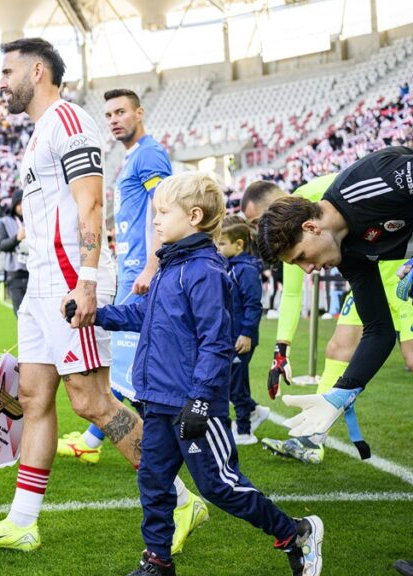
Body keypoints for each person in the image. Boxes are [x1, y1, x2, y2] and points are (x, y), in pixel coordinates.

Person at [0, 38, 205, 555]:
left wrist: (88, 280)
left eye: (8, 71)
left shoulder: (70, 122)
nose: (0, 82)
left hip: (73, 278)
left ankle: (181, 498)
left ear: (38, 70)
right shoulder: (38, 134)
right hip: (41, 281)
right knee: (32, 396)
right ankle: (23, 521)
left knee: (91, 400)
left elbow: (91, 204)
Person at [92, 172, 323, 576]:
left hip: (193, 405)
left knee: (219, 486)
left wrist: (199, 400)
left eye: (163, 213)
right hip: (159, 402)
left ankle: (297, 534)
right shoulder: (170, 265)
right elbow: (143, 315)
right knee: (152, 481)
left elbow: (217, 342)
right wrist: (96, 315)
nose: (157, 221)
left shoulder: (205, 271)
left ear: (195, 216)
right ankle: (158, 562)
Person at [253, 146, 413, 574]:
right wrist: (339, 395)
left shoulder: (370, 181)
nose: (308, 271)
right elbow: (379, 330)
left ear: (311, 227)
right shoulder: (348, 252)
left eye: (301, 259)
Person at [242, 175, 413, 464]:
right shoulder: (291, 240)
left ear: (276, 204)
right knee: (338, 348)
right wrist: (281, 348)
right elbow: (292, 292)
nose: (258, 230)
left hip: (410, 266)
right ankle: (311, 437)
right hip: (367, 273)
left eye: (257, 221)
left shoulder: (315, 200)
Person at [57, 88, 172, 463]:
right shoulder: (132, 157)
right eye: (108, 115)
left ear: (139, 113)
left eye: (121, 112)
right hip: (131, 270)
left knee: (127, 360)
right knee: (127, 359)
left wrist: (152, 267)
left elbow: (165, 210)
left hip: (142, 272)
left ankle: (100, 440)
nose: (114, 120)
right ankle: (96, 437)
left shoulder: (151, 154)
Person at [217, 220, 269, 445]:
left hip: (241, 339)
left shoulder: (245, 270)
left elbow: (254, 304)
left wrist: (246, 334)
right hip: (230, 338)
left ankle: (245, 431)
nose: (217, 248)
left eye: (221, 243)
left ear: (238, 245)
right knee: (229, 383)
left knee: (235, 385)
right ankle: (255, 411)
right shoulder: (229, 266)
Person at [0, 191, 29, 315]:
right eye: (18, 203)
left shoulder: (34, 219)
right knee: (21, 315)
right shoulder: (5, 221)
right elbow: (2, 245)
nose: (21, 207)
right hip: (16, 275)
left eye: (23, 203)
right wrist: (16, 238)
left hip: (35, 272)